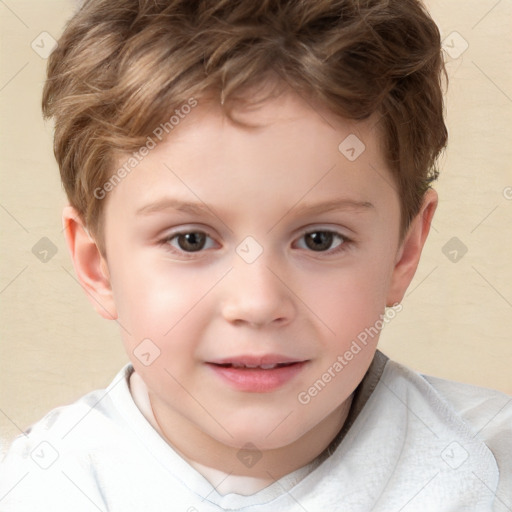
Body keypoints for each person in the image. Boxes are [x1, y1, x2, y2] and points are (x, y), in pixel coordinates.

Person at [1, 0, 510, 510]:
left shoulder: (489, 472)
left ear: (404, 251)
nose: (258, 302)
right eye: (190, 240)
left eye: (319, 239)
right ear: (97, 266)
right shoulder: (37, 490)